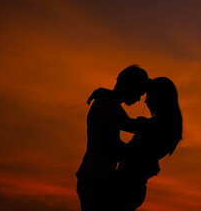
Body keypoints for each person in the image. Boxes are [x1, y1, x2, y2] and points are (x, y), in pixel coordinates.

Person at [88, 77, 183, 211]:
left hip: (127, 188)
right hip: (131, 187)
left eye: (149, 96)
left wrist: (111, 96)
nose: (146, 100)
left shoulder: (161, 124)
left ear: (160, 98)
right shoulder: (167, 124)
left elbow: (125, 123)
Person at [76, 65, 149, 211]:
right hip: (95, 178)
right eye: (139, 92)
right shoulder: (106, 103)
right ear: (130, 86)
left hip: (97, 176)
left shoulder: (109, 102)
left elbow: (127, 124)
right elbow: (113, 143)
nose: (139, 98)